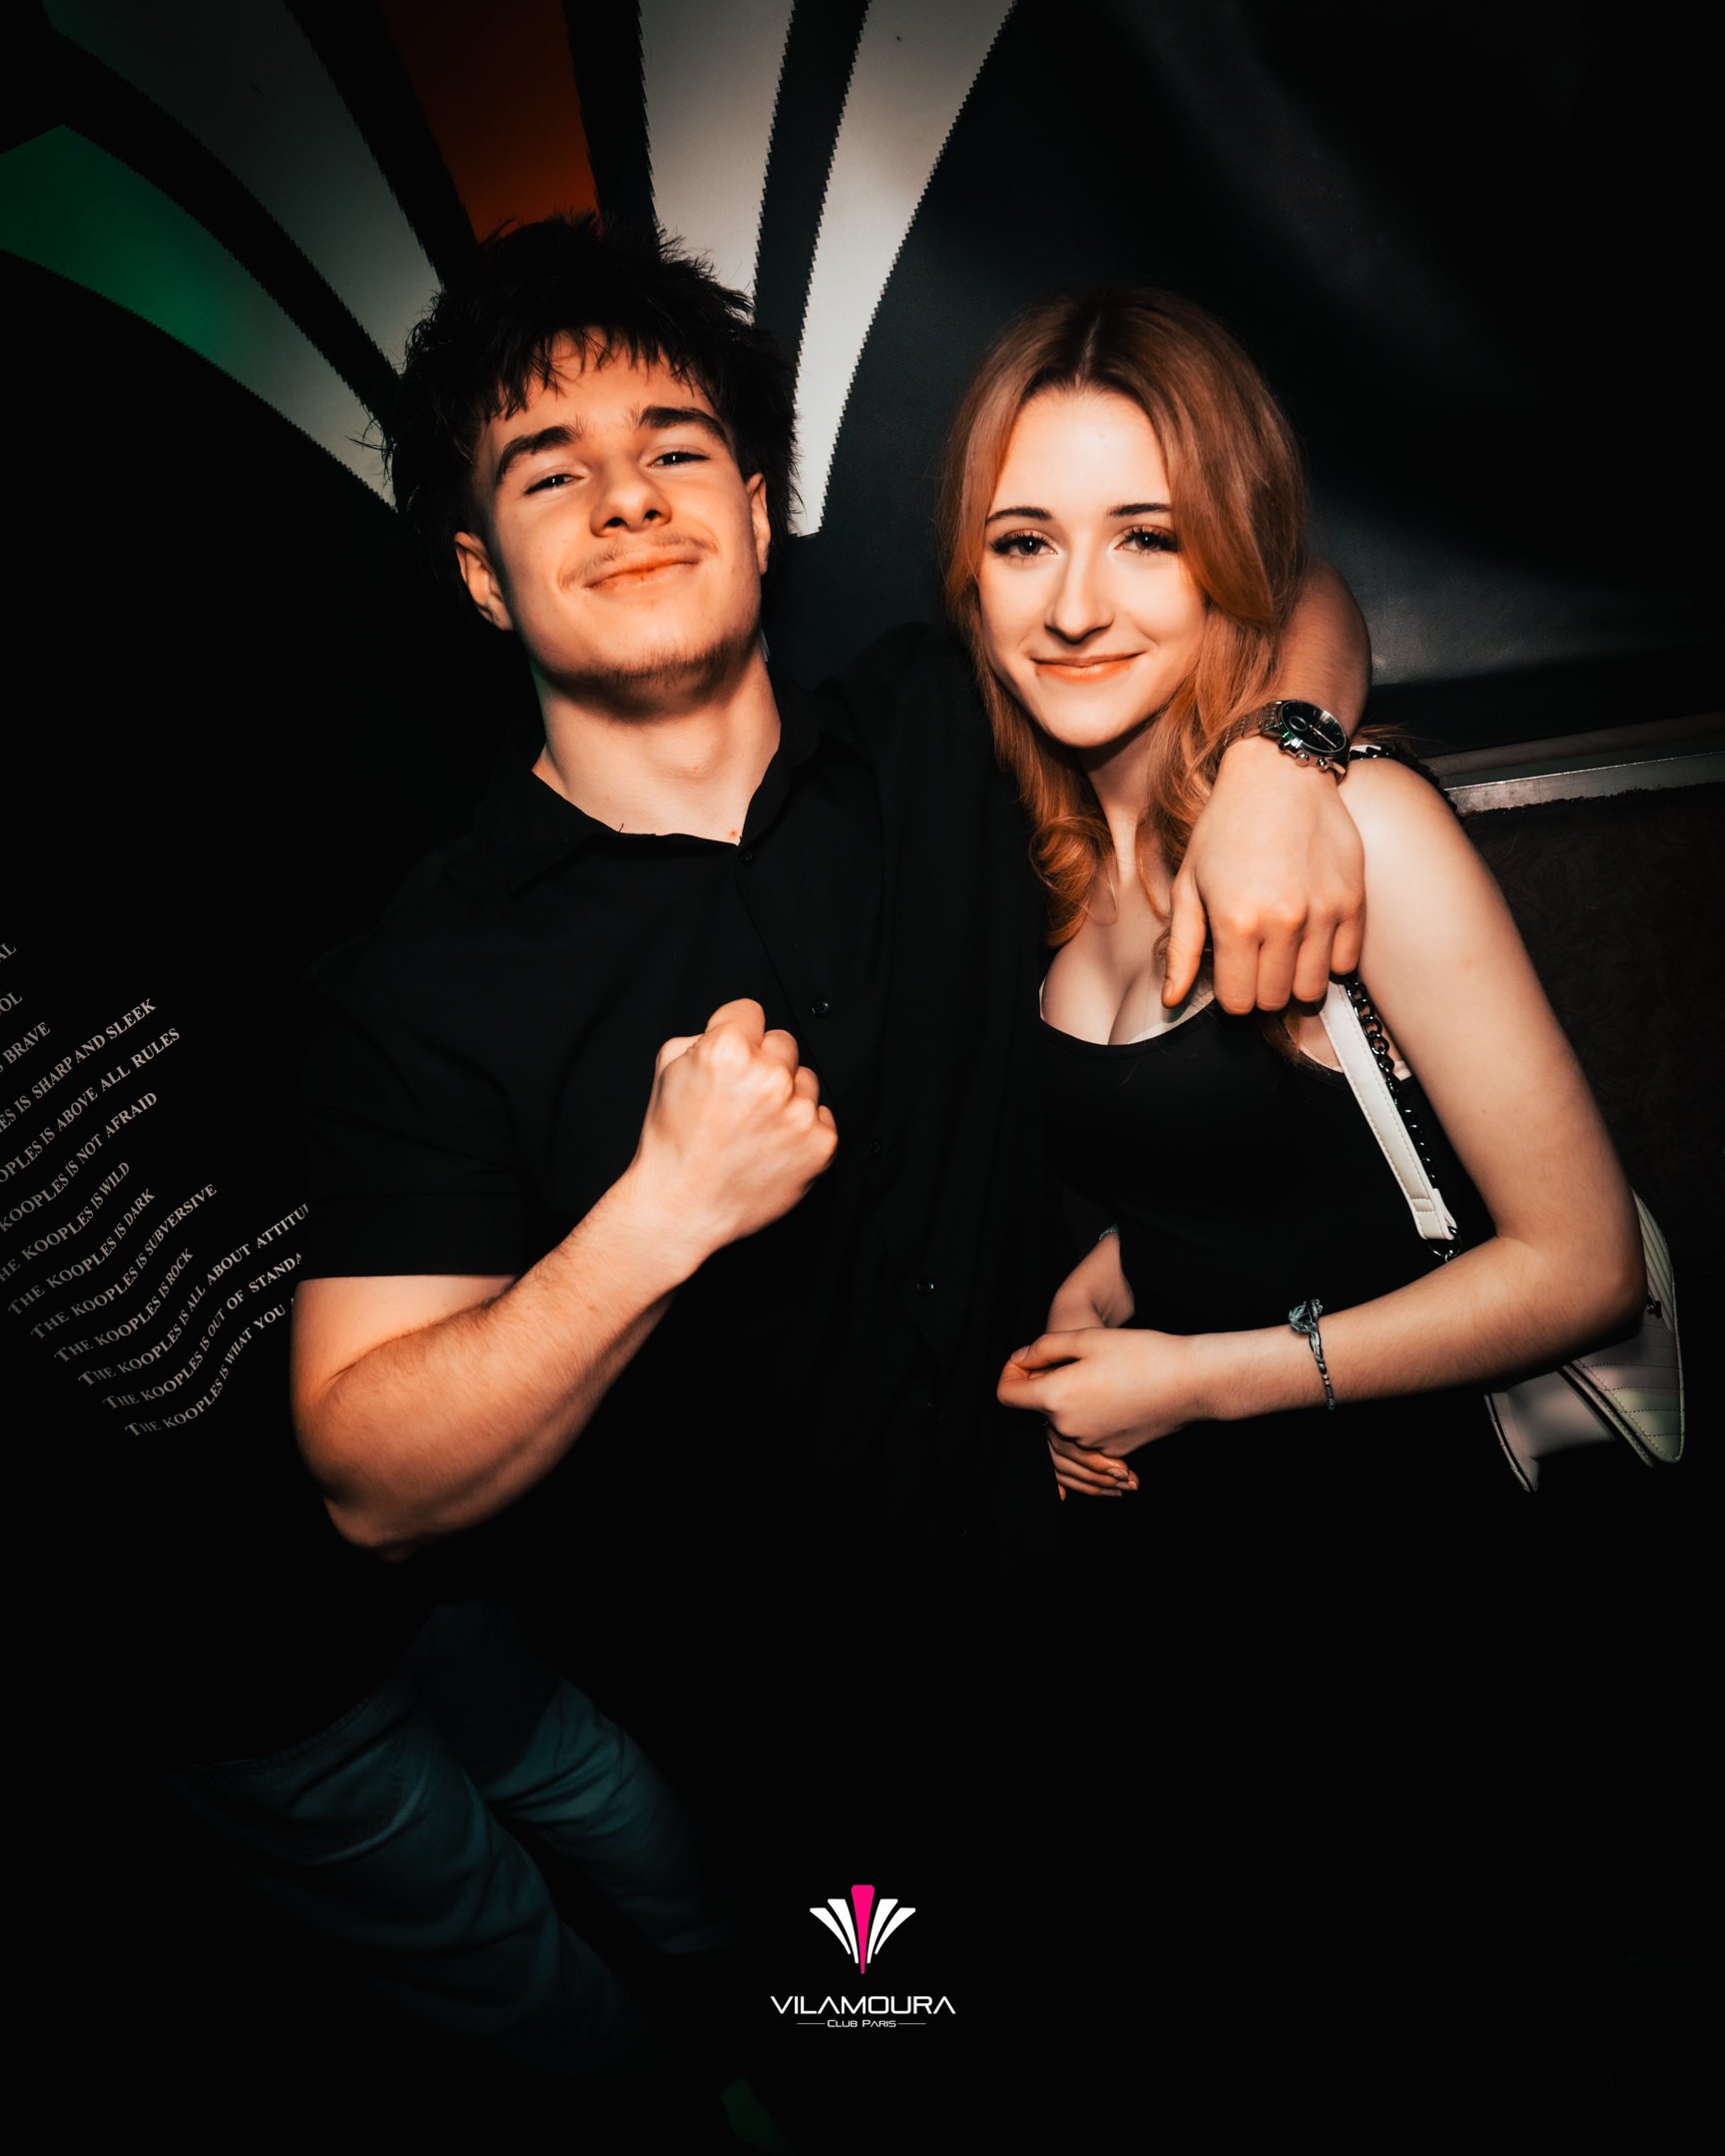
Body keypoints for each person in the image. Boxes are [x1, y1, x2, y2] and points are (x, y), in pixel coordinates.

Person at [203, 219, 1371, 2108]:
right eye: (546, 473)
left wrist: (1284, 761)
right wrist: (657, 1218)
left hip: (1157, 1587)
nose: (625, 498)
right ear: (481, 575)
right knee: (910, 2088)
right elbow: (368, 1479)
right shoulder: (427, 986)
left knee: (1257, 2041)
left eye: (674, 448)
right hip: (824, 1770)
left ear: (756, 512)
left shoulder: (941, 719)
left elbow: (1286, 588)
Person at [958, 291, 1645, 2027]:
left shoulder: (1356, 832)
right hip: (1225, 1566)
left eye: (1147, 537)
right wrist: (1107, 1290)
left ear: (1229, 556)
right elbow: (1236, 1166)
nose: (1076, 602)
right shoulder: (1060, 859)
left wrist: (1198, 1379)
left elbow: (1582, 1269)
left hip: (1432, 1573)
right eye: (1026, 541)